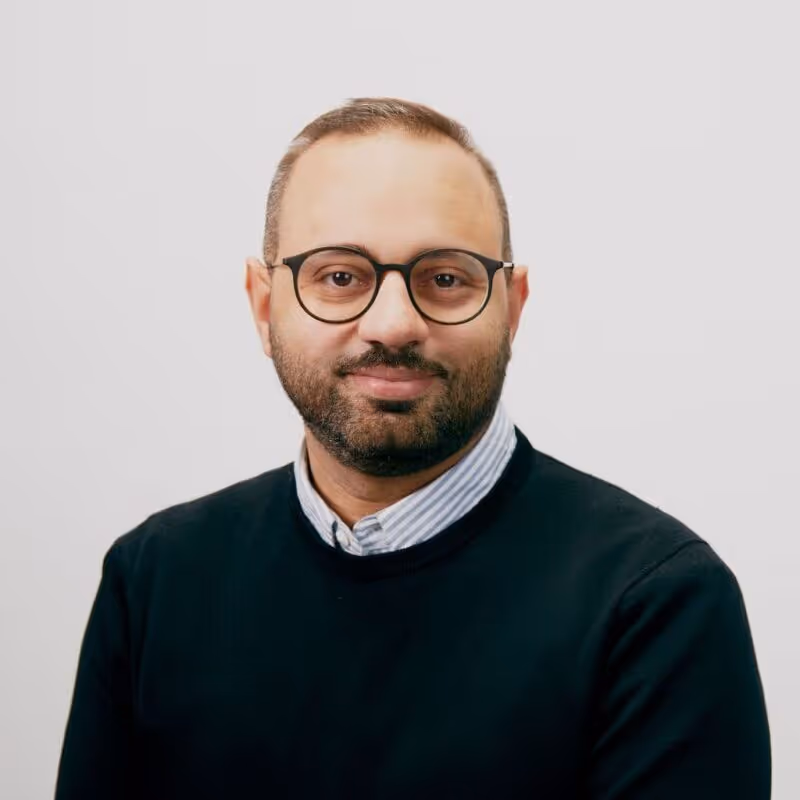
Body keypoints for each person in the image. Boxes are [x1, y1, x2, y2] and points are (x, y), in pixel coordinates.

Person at [55, 97, 771, 799]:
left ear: (512, 309)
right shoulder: (154, 580)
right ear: (264, 306)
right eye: (340, 276)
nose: (393, 323)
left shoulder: (656, 604)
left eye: (446, 279)